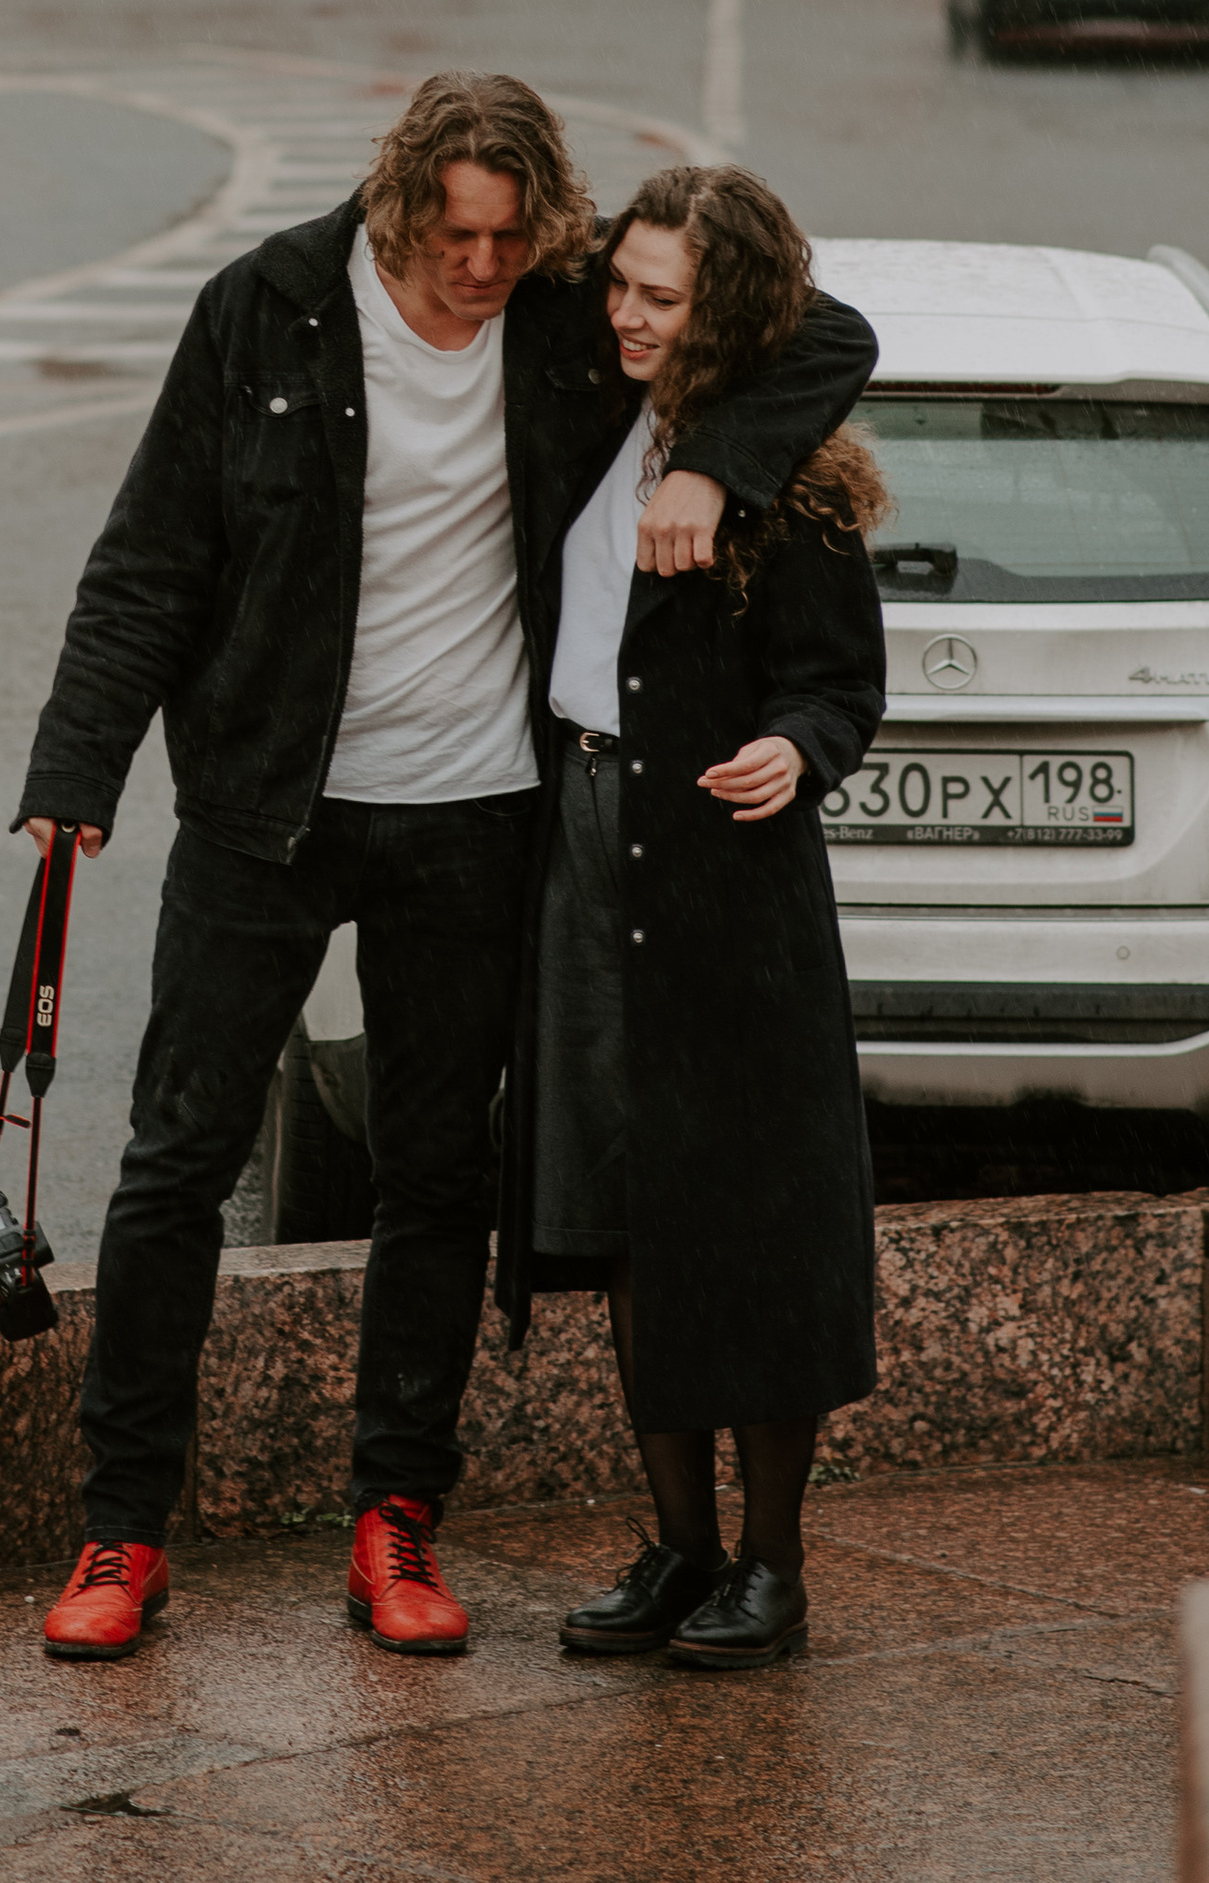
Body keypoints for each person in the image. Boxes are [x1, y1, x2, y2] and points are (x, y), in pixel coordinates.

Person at [15, 72, 875, 1661]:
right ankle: (121, 1527)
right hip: (264, 813)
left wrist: (714, 467)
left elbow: (818, 332)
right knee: (175, 1162)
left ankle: (396, 1520)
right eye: (451, 233)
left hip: (475, 815)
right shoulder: (264, 307)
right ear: (396, 199)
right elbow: (150, 556)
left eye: (508, 236)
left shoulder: (563, 314)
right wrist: (78, 770)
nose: (478, 266)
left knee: (436, 1180)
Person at [498, 161, 886, 1676]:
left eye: (664, 296)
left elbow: (838, 684)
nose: (630, 314)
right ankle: (680, 1546)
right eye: (624, 285)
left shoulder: (787, 481)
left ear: (726, 309)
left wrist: (803, 745)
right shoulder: (593, 413)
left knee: (755, 1212)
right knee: (628, 1203)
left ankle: (771, 1564)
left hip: (732, 868)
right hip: (582, 835)